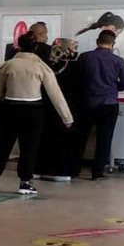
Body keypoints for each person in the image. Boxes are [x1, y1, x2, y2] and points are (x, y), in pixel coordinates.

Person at [0, 33, 74, 195]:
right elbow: (55, 93)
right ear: (35, 47)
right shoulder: (41, 66)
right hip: (33, 110)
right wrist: (66, 117)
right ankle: (25, 182)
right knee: (29, 148)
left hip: (10, 108)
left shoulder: (8, 65)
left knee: (3, 145)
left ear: (18, 46)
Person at [76, 30, 124, 180]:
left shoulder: (84, 57)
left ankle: (74, 168)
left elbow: (76, 80)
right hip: (109, 103)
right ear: (113, 44)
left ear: (97, 41)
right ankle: (97, 173)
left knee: (81, 137)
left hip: (87, 103)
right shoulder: (118, 61)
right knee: (104, 139)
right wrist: (113, 87)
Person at [37, 38, 84, 182]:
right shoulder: (74, 67)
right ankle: (61, 170)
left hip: (44, 106)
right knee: (64, 139)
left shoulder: (43, 64)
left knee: (43, 137)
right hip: (67, 107)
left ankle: (39, 168)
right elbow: (79, 88)